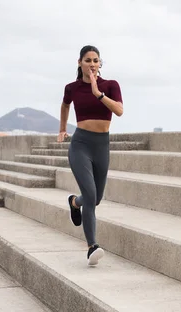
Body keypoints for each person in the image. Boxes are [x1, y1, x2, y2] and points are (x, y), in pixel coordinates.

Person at [58, 45, 123, 266]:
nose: (92, 64)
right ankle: (91, 246)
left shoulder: (110, 86)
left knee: (95, 198)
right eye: (88, 60)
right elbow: (65, 106)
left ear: (100, 63)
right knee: (91, 194)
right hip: (80, 144)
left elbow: (119, 110)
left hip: (102, 145)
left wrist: (99, 94)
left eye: (96, 60)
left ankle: (75, 203)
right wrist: (62, 128)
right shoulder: (72, 88)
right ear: (80, 63)